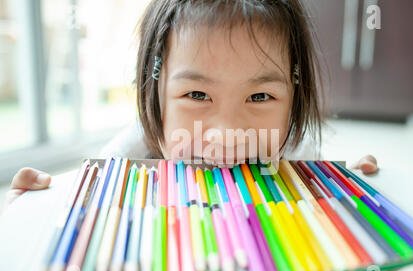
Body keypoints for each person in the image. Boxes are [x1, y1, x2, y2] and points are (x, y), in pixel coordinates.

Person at [3, 0, 378, 212]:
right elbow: (87, 233)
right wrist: (37, 213)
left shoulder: (296, 155)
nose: (228, 135)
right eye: (197, 96)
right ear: (155, 96)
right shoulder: (128, 157)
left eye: (260, 97)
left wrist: (356, 195)